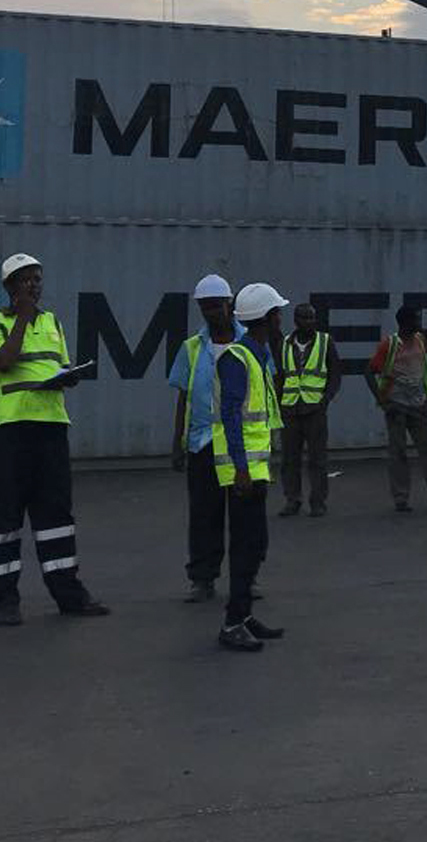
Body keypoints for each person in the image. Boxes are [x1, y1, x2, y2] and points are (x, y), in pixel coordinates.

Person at [0, 253, 109, 625]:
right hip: (9, 431)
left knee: (56, 515)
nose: (33, 285)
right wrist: (22, 318)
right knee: (4, 516)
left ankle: (69, 594)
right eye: (24, 280)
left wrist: (69, 375)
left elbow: (58, 365)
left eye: (37, 279)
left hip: (50, 428)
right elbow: (4, 361)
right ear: (9, 287)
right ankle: (2, 600)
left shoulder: (52, 322)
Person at [213, 282, 289, 653]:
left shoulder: (257, 355)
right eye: (278, 313)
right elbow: (229, 415)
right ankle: (232, 623)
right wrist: (242, 470)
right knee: (245, 546)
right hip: (241, 471)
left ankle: (242, 615)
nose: (282, 319)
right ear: (267, 317)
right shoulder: (237, 359)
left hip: (256, 469)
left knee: (256, 542)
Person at [168, 273, 238, 603]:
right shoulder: (192, 347)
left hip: (240, 446)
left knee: (242, 517)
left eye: (217, 306)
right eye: (205, 307)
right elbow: (183, 395)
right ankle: (202, 578)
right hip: (202, 443)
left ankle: (244, 578)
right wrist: (177, 442)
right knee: (203, 516)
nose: (212, 313)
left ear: (230, 304)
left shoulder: (249, 343)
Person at [368, 305, 427, 513]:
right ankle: (401, 498)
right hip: (396, 406)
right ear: (405, 323)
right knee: (398, 452)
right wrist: (382, 400)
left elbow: (424, 369)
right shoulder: (390, 345)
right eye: (416, 320)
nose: (420, 324)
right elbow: (369, 371)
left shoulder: (420, 341)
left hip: (418, 404)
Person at [276, 302, 340, 518]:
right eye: (305, 318)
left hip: (315, 409)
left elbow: (335, 375)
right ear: (296, 321)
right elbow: (280, 376)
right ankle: (292, 500)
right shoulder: (285, 343)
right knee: (289, 459)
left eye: (312, 318)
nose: (309, 322)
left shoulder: (325, 342)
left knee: (317, 459)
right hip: (290, 409)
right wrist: (278, 403)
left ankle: (318, 502)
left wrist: (326, 399)